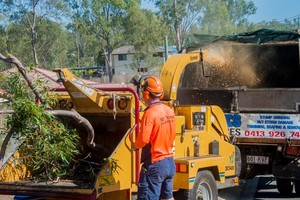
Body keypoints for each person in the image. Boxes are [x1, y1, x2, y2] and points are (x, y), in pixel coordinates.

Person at [133, 76, 176, 200]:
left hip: (155, 164)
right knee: (167, 198)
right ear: (160, 94)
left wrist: (135, 146)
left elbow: (144, 140)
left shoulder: (150, 113)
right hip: (169, 163)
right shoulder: (169, 111)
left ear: (146, 94)